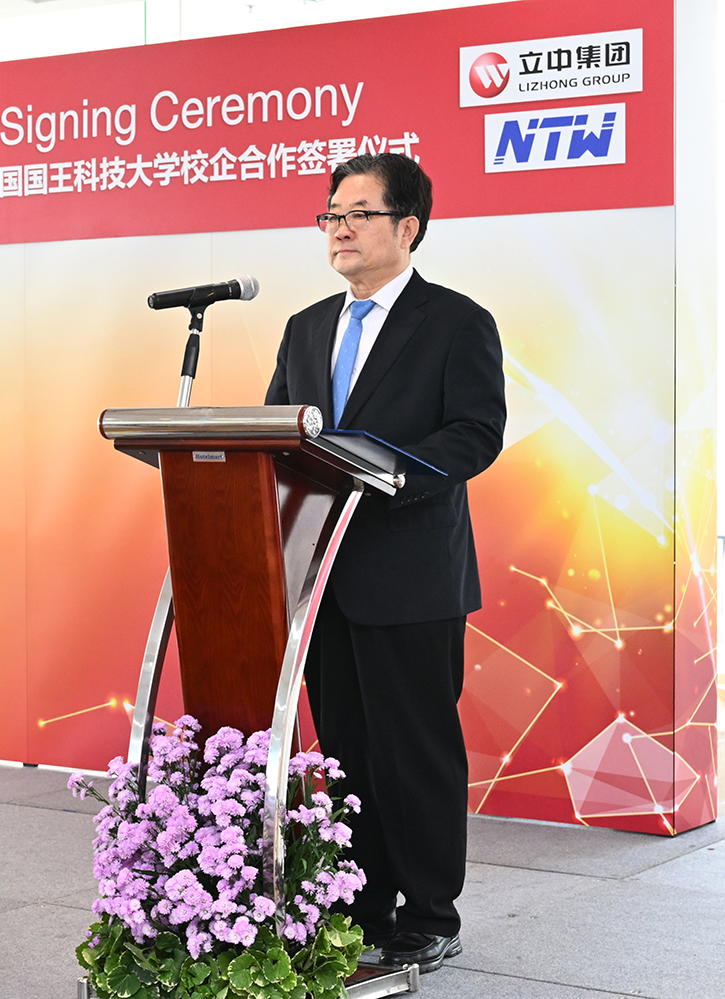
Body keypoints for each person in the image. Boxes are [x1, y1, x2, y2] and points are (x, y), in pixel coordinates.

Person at [264, 153, 506, 973]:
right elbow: (278, 429)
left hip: (411, 572)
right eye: (331, 214)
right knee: (345, 754)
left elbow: (475, 433)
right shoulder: (304, 326)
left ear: (407, 227)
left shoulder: (455, 321)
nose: (339, 228)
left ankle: (431, 913)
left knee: (416, 751)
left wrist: (386, 473)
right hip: (322, 574)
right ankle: (361, 905)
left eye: (358, 213)